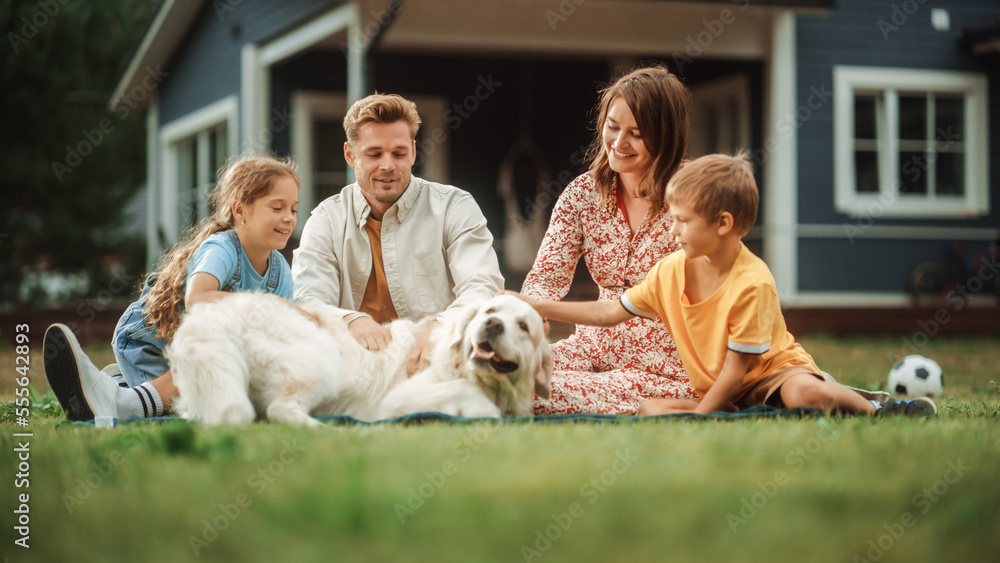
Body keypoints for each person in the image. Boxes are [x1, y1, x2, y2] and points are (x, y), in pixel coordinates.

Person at [510, 152, 937, 417]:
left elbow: (738, 370)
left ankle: (878, 409)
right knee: (650, 410)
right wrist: (536, 306)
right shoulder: (671, 271)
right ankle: (730, 409)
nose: (671, 230)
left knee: (804, 392)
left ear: (723, 224)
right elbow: (608, 311)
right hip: (712, 385)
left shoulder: (753, 282)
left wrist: (701, 416)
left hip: (765, 374)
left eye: (681, 221)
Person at [43, 155, 301, 421]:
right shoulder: (223, 249)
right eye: (277, 208)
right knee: (189, 398)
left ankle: (115, 385)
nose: (289, 219)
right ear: (240, 210)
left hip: (193, 348)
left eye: (293, 209)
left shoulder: (280, 270)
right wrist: (265, 306)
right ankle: (113, 400)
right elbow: (197, 299)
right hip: (150, 341)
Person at [520, 65, 694, 414]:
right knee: (501, 376)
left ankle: (679, 403)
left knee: (533, 395)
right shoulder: (582, 194)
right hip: (592, 346)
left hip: (665, 364)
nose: (618, 142)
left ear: (666, 135)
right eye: (612, 127)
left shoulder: (693, 195)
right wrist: (530, 314)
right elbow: (544, 278)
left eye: (637, 133)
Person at [291, 93, 504, 370]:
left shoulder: (455, 207)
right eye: (374, 153)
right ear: (350, 155)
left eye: (399, 153)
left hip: (437, 358)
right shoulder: (325, 220)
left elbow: (484, 286)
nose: (388, 165)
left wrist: (440, 325)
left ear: (413, 152)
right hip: (354, 362)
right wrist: (351, 319)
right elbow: (307, 299)